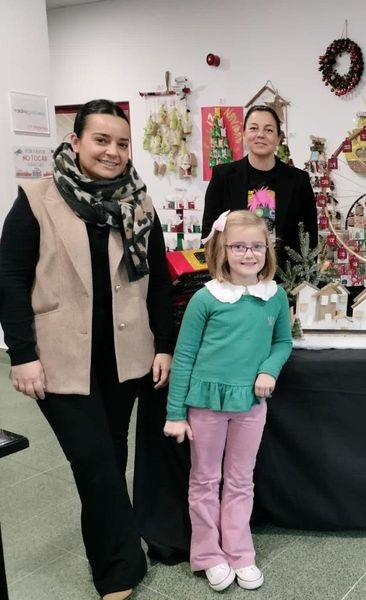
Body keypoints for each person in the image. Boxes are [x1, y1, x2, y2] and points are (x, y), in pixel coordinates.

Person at [0, 99, 175, 600]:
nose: (112, 152)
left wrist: (163, 344)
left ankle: (122, 544)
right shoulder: (36, 199)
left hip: (126, 356)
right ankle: (118, 571)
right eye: (101, 140)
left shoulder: (139, 203)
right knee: (94, 462)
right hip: (59, 359)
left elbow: (158, 279)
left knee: (111, 455)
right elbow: (10, 280)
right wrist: (22, 353)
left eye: (122, 143)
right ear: (75, 141)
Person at [164, 209, 292, 592]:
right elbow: (184, 355)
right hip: (205, 404)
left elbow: (282, 342)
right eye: (239, 246)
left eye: (256, 247)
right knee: (204, 478)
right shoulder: (206, 299)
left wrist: (269, 369)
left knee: (240, 480)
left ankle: (239, 551)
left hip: (251, 406)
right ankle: (206, 553)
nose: (248, 254)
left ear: (266, 251)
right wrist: (175, 412)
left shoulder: (275, 296)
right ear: (223, 249)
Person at [201, 105, 318, 265]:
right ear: (244, 134)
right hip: (234, 276)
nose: (260, 135)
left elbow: (309, 236)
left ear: (278, 138)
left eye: (268, 130)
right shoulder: (223, 176)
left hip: (286, 279)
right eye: (254, 128)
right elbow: (209, 232)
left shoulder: (298, 180)